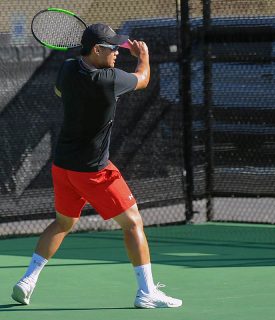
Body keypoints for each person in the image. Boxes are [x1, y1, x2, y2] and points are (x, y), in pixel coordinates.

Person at [11, 23, 182, 309]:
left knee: (63, 222)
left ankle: (28, 280)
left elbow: (59, 91)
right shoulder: (109, 79)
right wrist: (144, 57)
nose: (117, 52)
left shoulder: (67, 69)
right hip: (94, 171)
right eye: (112, 48)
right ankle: (147, 292)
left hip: (63, 166)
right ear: (97, 49)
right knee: (133, 223)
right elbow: (142, 79)